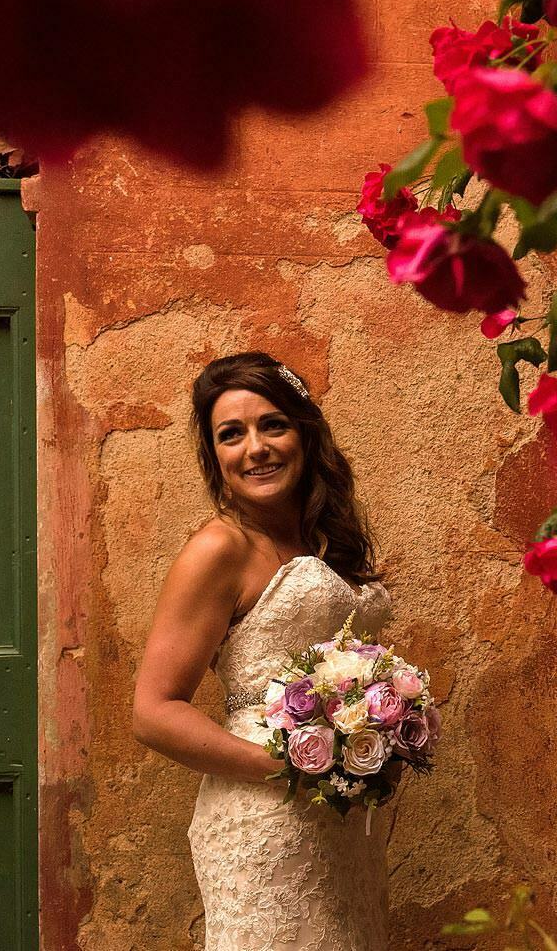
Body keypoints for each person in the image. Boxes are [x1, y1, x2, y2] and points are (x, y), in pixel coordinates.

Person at [134, 351, 391, 950]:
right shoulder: (220, 548)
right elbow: (152, 710)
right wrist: (291, 768)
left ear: (304, 432)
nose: (256, 448)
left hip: (342, 827)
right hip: (264, 825)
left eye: (272, 425)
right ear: (215, 456)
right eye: (231, 434)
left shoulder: (327, 540)